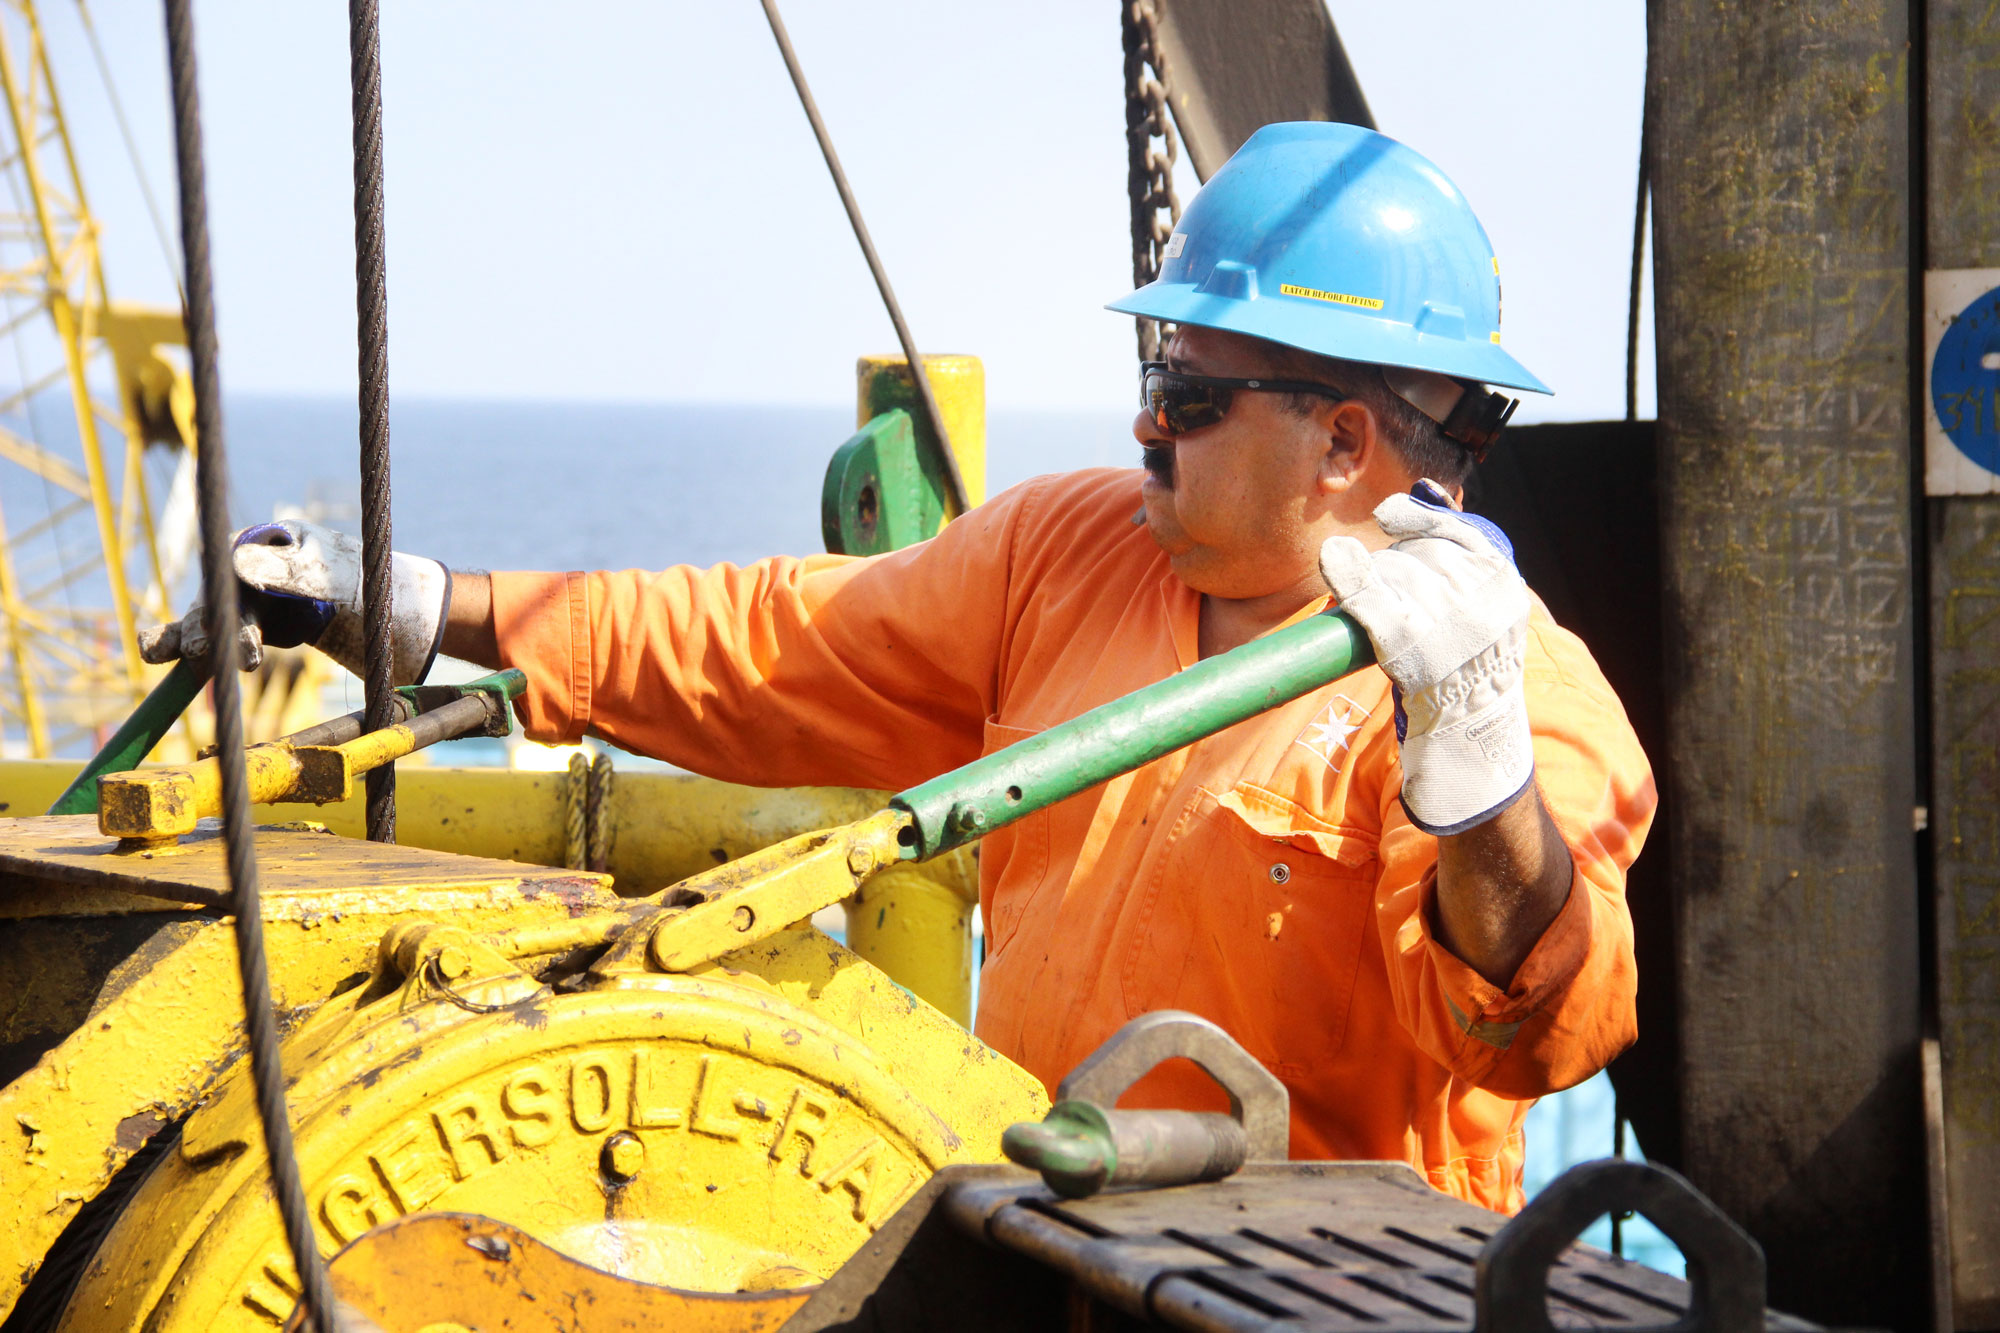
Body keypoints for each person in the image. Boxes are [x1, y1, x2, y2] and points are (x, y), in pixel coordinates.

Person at [145, 122, 1653, 1215]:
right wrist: (431, 609)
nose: (1145, 422)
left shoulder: (1519, 694)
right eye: (1153, 377)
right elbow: (773, 644)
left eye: (1187, 392)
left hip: (1313, 1295)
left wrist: (1476, 768)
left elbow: (1543, 1029)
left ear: (1342, 441)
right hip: (1056, 1239)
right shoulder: (1073, 553)